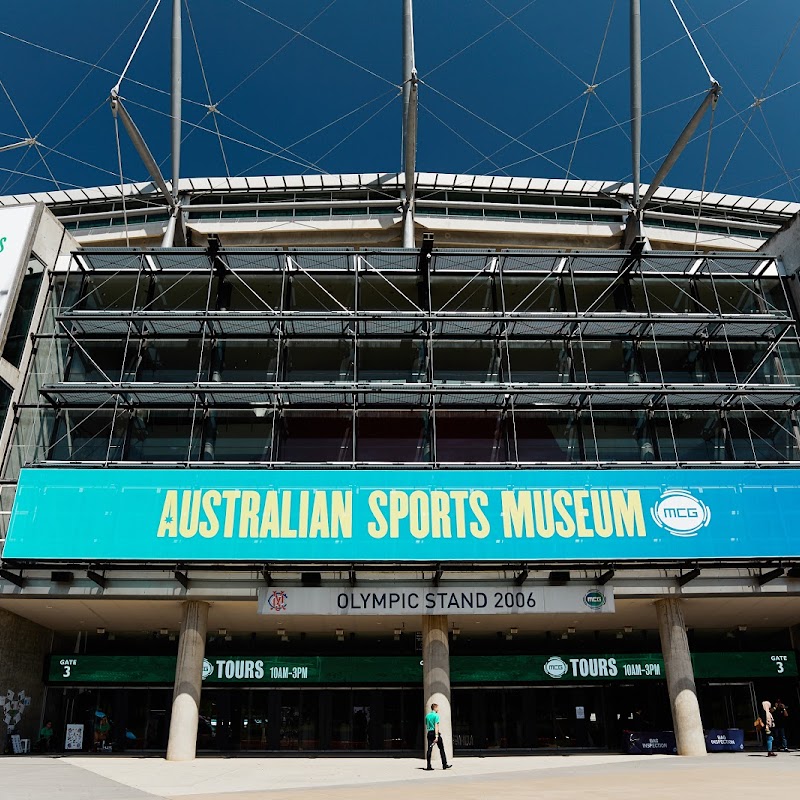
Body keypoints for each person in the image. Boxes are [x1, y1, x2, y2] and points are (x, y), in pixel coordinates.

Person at [424, 703, 451, 771]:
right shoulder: (436, 716)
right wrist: (436, 736)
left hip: (429, 733)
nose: (438, 709)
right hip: (435, 733)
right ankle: (444, 764)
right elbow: (436, 726)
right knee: (441, 748)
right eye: (437, 708)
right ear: (435, 708)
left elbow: (427, 724)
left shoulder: (427, 716)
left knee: (429, 749)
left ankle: (428, 765)